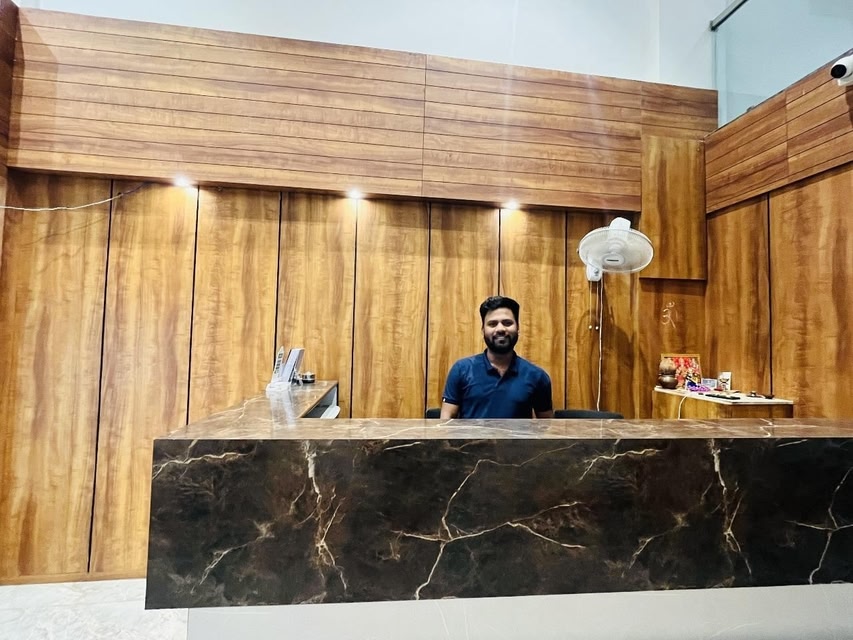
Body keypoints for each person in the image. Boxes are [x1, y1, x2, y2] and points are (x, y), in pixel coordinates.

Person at [440, 296, 553, 419]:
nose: (500, 329)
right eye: (492, 324)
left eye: (507, 323)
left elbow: (546, 425)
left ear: (518, 327)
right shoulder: (461, 370)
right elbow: (447, 419)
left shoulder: (537, 376)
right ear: (483, 329)